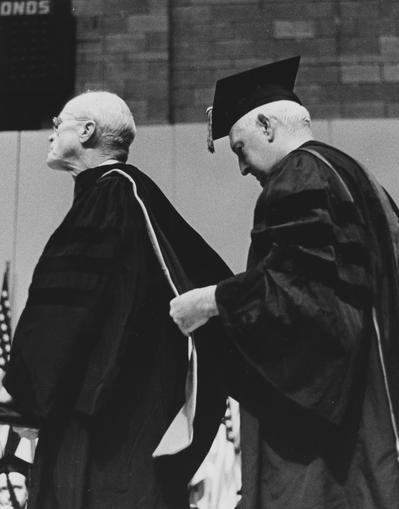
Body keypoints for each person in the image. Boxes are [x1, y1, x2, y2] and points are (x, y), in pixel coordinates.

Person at [170, 56, 399, 508]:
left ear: (267, 126)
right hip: (372, 406)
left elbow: (303, 292)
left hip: (326, 437)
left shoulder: (300, 175)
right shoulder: (360, 177)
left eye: (239, 148)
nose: (242, 168)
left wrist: (214, 299)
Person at [0, 91, 232, 509]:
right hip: (129, 422)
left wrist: (28, 402)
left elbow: (65, 314)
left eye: (59, 123)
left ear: (87, 131)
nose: (51, 133)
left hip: (95, 422)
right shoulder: (134, 195)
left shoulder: (110, 198)